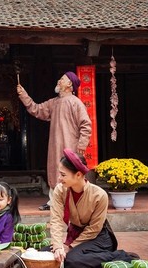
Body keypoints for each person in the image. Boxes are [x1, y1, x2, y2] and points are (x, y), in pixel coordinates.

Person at [50, 148, 139, 268]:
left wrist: (70, 247)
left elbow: (94, 229)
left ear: (78, 175)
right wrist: (58, 246)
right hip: (76, 235)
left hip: (97, 237)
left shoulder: (99, 195)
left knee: (70, 260)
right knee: (48, 254)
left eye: (63, 175)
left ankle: (120, 256)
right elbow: (56, 220)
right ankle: (89, 259)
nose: (59, 178)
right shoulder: (60, 190)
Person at [17, 71, 92, 210]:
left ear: (70, 84)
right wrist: (24, 95)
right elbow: (36, 109)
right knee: (54, 170)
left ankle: (71, 203)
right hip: (55, 144)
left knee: (68, 172)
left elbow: (86, 124)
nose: (59, 80)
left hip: (70, 144)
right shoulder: (54, 102)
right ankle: (54, 201)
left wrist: (82, 143)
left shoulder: (76, 103)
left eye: (62, 79)